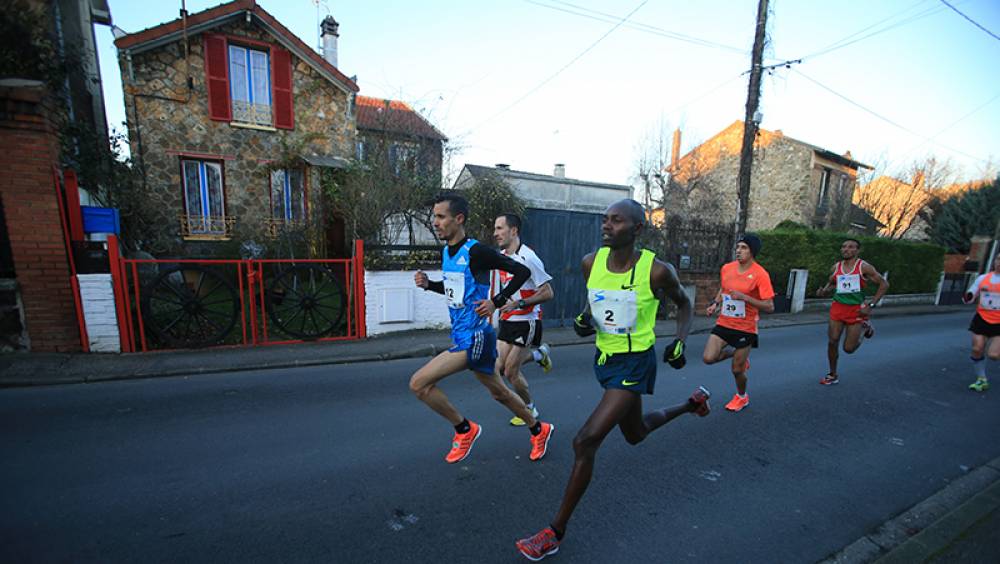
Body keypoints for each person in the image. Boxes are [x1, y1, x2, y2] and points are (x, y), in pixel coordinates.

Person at [515, 199, 710, 561]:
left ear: (637, 229)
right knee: (634, 434)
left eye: (616, 221)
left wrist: (680, 342)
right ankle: (692, 404)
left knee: (584, 441)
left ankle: (554, 532)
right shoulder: (592, 263)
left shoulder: (657, 271)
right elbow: (595, 305)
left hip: (636, 364)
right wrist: (583, 320)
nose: (606, 226)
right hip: (605, 360)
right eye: (605, 220)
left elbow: (684, 305)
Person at [411, 193, 554, 464]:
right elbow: (457, 291)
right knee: (499, 392)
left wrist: (496, 302)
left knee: (419, 383)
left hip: (476, 337)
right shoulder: (447, 252)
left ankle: (465, 429)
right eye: (435, 217)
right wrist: (430, 285)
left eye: (441, 217)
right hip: (464, 334)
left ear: (459, 219)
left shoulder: (477, 252)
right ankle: (538, 428)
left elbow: (521, 272)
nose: (436, 222)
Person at [492, 213, 555, 427]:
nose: (495, 233)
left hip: (527, 320)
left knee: (511, 371)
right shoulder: (501, 257)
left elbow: (548, 293)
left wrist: (519, 304)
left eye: (500, 228)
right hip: (508, 318)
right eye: (495, 228)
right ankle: (539, 354)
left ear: (514, 231)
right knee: (497, 367)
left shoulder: (529, 258)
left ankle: (530, 409)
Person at [701, 234, 774, 412]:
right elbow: (723, 288)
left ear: (752, 252)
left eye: (744, 248)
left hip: (746, 327)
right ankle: (736, 353)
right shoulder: (727, 268)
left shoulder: (760, 274)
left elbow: (769, 306)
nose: (739, 251)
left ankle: (742, 396)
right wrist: (715, 303)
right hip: (724, 322)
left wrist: (745, 297)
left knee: (737, 371)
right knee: (708, 358)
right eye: (738, 247)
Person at [815, 238, 889, 386]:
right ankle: (832, 374)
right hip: (838, 307)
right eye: (843, 247)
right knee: (832, 341)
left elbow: (884, 284)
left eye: (850, 247)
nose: (846, 249)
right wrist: (824, 291)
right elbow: (832, 283)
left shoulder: (864, 267)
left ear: (857, 250)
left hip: (856, 310)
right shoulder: (836, 267)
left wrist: (871, 305)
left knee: (848, 349)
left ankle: (864, 327)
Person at [963, 252, 1000, 392]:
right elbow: (971, 294)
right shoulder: (983, 278)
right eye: (998, 259)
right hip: (982, 319)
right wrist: (968, 297)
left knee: (994, 355)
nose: (999, 262)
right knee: (977, 349)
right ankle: (981, 380)